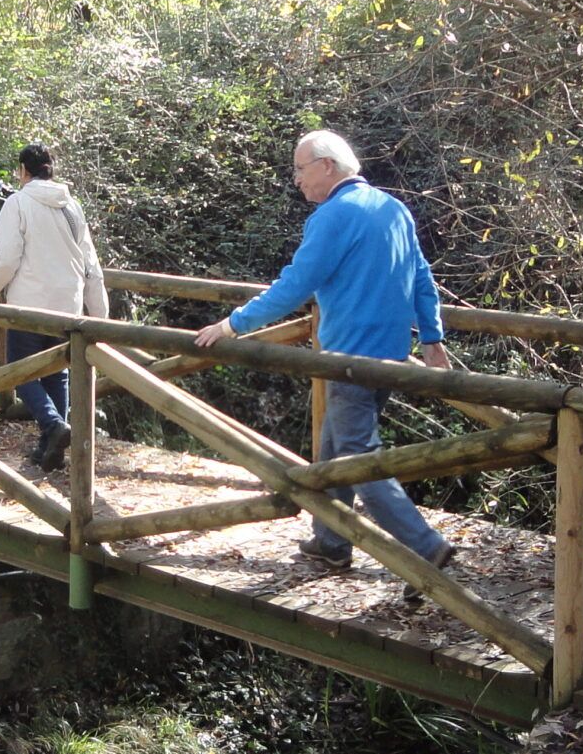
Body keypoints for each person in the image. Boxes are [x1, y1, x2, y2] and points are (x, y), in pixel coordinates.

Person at [193, 130, 457, 572]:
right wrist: (432, 339)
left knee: (356, 458)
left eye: (300, 169)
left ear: (328, 165)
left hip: (349, 357)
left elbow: (295, 285)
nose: (296, 179)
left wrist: (231, 324)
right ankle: (332, 540)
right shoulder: (394, 209)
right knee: (336, 448)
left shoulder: (335, 215)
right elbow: (422, 279)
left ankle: (426, 548)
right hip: (391, 354)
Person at [0, 145, 108, 471]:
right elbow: (91, 264)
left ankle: (52, 425)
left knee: (21, 373)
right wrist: (100, 314)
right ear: (51, 169)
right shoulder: (72, 207)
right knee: (55, 374)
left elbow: (6, 259)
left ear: (23, 170)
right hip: (68, 305)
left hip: (30, 306)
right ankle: (52, 450)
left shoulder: (18, 203)